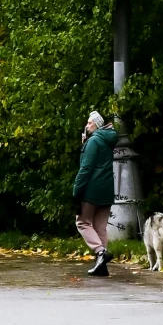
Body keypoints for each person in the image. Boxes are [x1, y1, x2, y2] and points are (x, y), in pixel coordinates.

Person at [72, 108, 118, 277]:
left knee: (83, 222)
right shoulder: (107, 140)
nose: (87, 125)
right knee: (100, 227)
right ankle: (102, 266)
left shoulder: (94, 142)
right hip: (107, 190)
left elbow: (86, 168)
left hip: (92, 189)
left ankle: (100, 253)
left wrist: (77, 190)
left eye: (90, 122)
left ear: (97, 125)